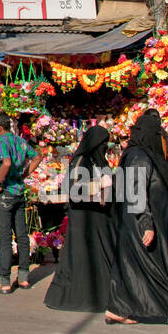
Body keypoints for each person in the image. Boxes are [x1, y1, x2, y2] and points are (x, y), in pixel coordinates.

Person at [104, 112, 168, 334]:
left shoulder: (140, 154)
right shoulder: (140, 156)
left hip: (142, 222)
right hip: (144, 224)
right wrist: (146, 224)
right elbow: (136, 192)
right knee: (161, 270)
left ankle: (117, 309)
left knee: (134, 268)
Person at [45, 124, 116, 312]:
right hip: (83, 218)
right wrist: (98, 189)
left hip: (98, 219)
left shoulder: (98, 161)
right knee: (81, 255)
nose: (105, 147)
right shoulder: (81, 161)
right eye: (103, 143)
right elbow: (73, 189)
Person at [0, 111, 41, 293]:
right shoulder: (19, 141)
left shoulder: (1, 142)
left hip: (6, 192)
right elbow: (37, 157)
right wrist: (25, 174)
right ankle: (23, 277)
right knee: (22, 236)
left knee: (5, 238)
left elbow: (6, 163)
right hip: (18, 192)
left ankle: (4, 281)